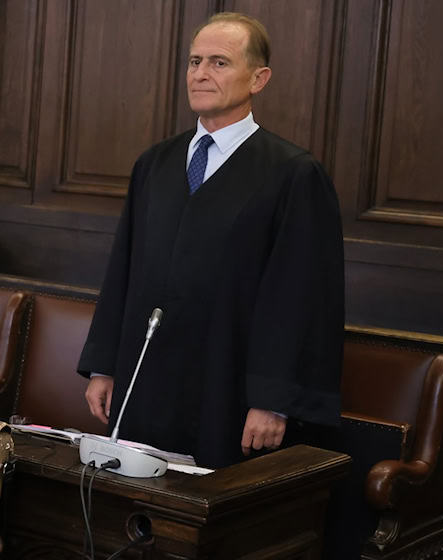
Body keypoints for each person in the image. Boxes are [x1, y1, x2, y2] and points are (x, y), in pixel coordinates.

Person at [78, 12, 344, 469]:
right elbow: (124, 269)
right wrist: (104, 367)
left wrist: (272, 401)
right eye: (194, 61)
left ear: (259, 79)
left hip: (228, 389)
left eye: (219, 62)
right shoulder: (154, 164)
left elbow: (299, 298)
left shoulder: (292, 174)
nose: (200, 73)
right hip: (146, 383)